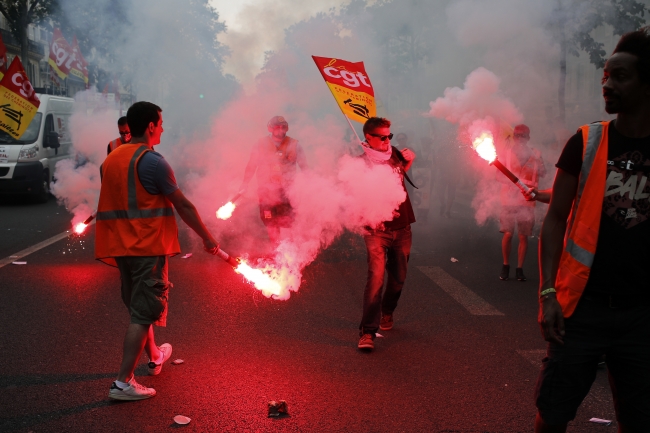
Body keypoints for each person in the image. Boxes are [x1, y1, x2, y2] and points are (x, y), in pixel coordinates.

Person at [535, 28, 650, 432]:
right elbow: (554, 220)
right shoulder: (585, 142)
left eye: (620, 77)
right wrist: (548, 293)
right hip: (581, 312)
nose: (607, 84)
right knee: (552, 416)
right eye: (605, 75)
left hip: (642, 316)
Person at [96, 102, 220, 401]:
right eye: (160, 123)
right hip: (147, 247)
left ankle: (154, 355)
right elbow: (184, 205)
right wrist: (207, 238)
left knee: (140, 307)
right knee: (143, 313)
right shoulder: (153, 162)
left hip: (120, 247)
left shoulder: (111, 160)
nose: (162, 128)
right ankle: (123, 383)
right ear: (150, 126)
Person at [358, 117, 416, 351]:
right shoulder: (359, 163)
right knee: (375, 280)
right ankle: (368, 332)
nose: (386, 141)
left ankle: (387, 312)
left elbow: (399, 179)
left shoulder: (393, 154)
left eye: (389, 136)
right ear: (368, 137)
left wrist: (408, 163)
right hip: (376, 231)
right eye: (382, 137)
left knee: (398, 279)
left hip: (402, 227)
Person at [239, 116, 308, 247]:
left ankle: (287, 252)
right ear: (270, 128)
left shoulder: (295, 145)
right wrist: (245, 183)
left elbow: (305, 167)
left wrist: (310, 185)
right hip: (266, 193)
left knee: (287, 223)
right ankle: (276, 251)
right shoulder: (260, 144)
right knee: (270, 223)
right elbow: (251, 165)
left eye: (283, 127)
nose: (281, 130)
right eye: (277, 127)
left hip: (287, 192)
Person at [498, 124, 546, 282]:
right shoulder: (506, 153)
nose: (520, 138)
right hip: (509, 200)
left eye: (523, 135)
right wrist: (508, 184)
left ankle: (519, 269)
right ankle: (506, 265)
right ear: (514, 137)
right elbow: (498, 175)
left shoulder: (536, 154)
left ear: (528, 138)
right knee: (508, 233)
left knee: (523, 236)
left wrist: (539, 162)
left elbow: (543, 173)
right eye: (517, 135)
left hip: (527, 200)